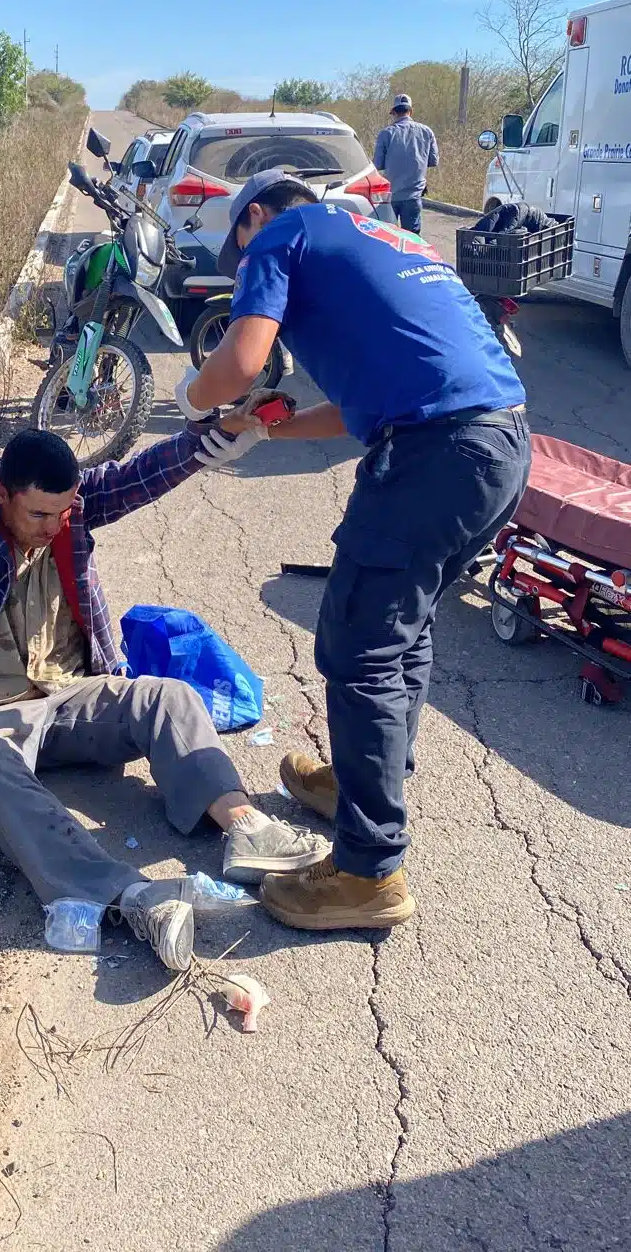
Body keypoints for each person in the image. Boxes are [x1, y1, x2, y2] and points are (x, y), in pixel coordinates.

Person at [0, 371, 329, 971]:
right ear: (2, 493)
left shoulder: (71, 514)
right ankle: (127, 896)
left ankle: (243, 827)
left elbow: (139, 474)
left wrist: (218, 433)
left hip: (62, 696)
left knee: (166, 696)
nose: (54, 526)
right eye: (39, 513)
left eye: (62, 512)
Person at [174, 168, 531, 933]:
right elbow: (357, 408)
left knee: (359, 641)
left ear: (256, 218)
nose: (248, 275)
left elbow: (237, 361)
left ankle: (370, 874)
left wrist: (194, 398)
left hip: (436, 455)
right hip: (496, 445)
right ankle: (366, 782)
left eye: (243, 263)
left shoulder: (280, 233)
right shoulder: (384, 236)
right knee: (401, 632)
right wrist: (266, 425)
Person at [374, 93, 439, 235]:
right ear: (411, 111)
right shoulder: (427, 131)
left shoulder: (386, 133)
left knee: (389, 237)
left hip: (391, 195)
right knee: (412, 240)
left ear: (394, 112)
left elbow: (377, 164)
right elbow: (433, 161)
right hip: (414, 195)